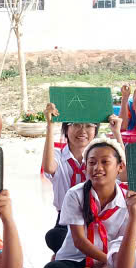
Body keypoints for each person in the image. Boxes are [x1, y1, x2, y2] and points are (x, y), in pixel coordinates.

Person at [43, 140, 129, 268]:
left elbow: (125, 240)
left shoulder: (128, 198)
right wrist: (108, 264)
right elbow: (79, 241)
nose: (98, 168)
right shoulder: (76, 194)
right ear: (85, 167)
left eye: (105, 162)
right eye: (92, 162)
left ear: (120, 167)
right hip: (79, 258)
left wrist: (108, 266)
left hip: (114, 257)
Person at [40, 103, 100, 252]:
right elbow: (48, 167)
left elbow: (122, 173)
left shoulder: (100, 158)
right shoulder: (58, 155)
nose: (82, 130)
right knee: (55, 237)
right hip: (66, 219)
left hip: (95, 218)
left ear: (95, 130)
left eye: (89, 125)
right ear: (66, 129)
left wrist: (116, 132)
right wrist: (50, 125)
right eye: (76, 124)